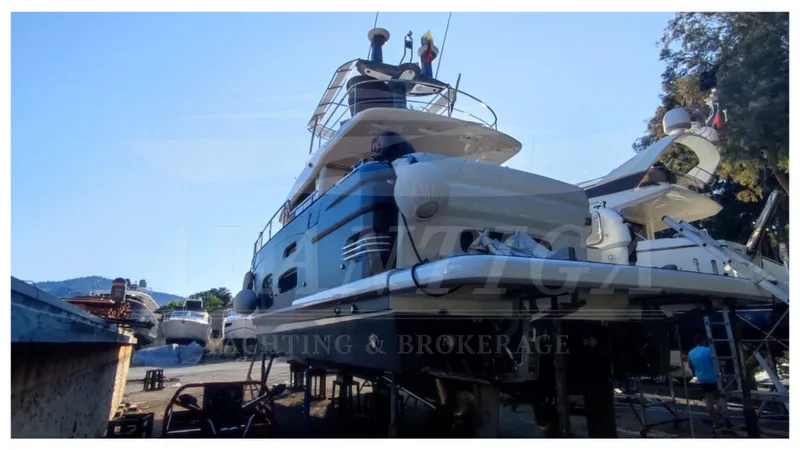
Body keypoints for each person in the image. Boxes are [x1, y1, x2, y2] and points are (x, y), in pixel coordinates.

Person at [687, 333, 733, 430]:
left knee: (709, 400)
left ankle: (715, 421)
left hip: (701, 379)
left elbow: (690, 366)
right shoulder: (709, 350)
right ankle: (724, 416)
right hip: (714, 378)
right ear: (704, 341)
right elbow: (716, 363)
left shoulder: (690, 353)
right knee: (723, 396)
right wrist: (723, 363)